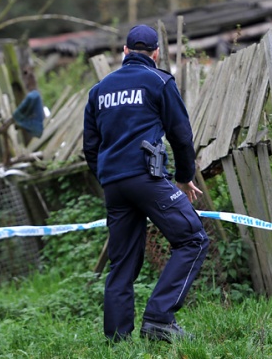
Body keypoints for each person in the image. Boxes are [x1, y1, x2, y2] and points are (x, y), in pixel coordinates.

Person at [83, 24, 210, 343]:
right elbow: (181, 135)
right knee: (193, 239)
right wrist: (184, 177)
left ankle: (117, 340)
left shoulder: (99, 90)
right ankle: (159, 319)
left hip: (114, 183)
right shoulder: (159, 81)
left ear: (125, 52)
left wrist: (107, 176)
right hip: (147, 179)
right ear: (155, 54)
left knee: (122, 261)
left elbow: (90, 146)